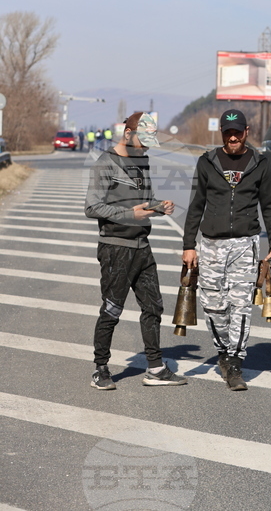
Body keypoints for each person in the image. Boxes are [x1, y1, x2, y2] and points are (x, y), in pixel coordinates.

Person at [182, 109, 271, 392]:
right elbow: (196, 205)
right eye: (228, 132)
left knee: (240, 305)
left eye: (238, 131)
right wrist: (189, 244)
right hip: (211, 245)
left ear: (247, 131)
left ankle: (236, 362)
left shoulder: (260, 164)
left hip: (245, 244)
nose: (233, 136)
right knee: (213, 305)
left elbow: (270, 208)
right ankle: (223, 351)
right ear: (222, 134)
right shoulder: (207, 163)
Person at [85, 112, 187, 390]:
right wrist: (130, 213)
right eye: (143, 141)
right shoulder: (105, 163)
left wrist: (158, 207)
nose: (146, 147)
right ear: (127, 134)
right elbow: (91, 207)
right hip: (116, 249)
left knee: (154, 307)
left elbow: (145, 201)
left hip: (142, 247)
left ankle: (155, 368)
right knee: (112, 310)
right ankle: (101, 369)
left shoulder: (142, 162)